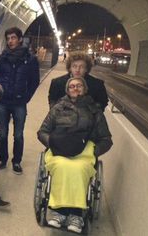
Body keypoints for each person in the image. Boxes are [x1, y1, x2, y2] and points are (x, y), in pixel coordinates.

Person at [37, 77, 112, 233]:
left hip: (84, 151)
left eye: (79, 86)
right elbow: (42, 132)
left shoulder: (94, 111)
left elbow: (106, 139)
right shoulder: (58, 108)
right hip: (59, 149)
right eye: (72, 86)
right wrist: (52, 142)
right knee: (61, 166)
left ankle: (75, 215)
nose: (75, 88)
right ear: (67, 90)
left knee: (79, 169)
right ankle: (60, 212)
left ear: (85, 88)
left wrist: (93, 151)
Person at [0, 27, 39, 174]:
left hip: (19, 103)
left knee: (18, 135)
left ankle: (17, 161)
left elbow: (34, 81)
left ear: (20, 39)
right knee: (2, 133)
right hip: (3, 102)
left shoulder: (30, 60)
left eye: (13, 38)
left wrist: (26, 97)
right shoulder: (2, 58)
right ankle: (2, 159)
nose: (10, 41)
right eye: (8, 38)